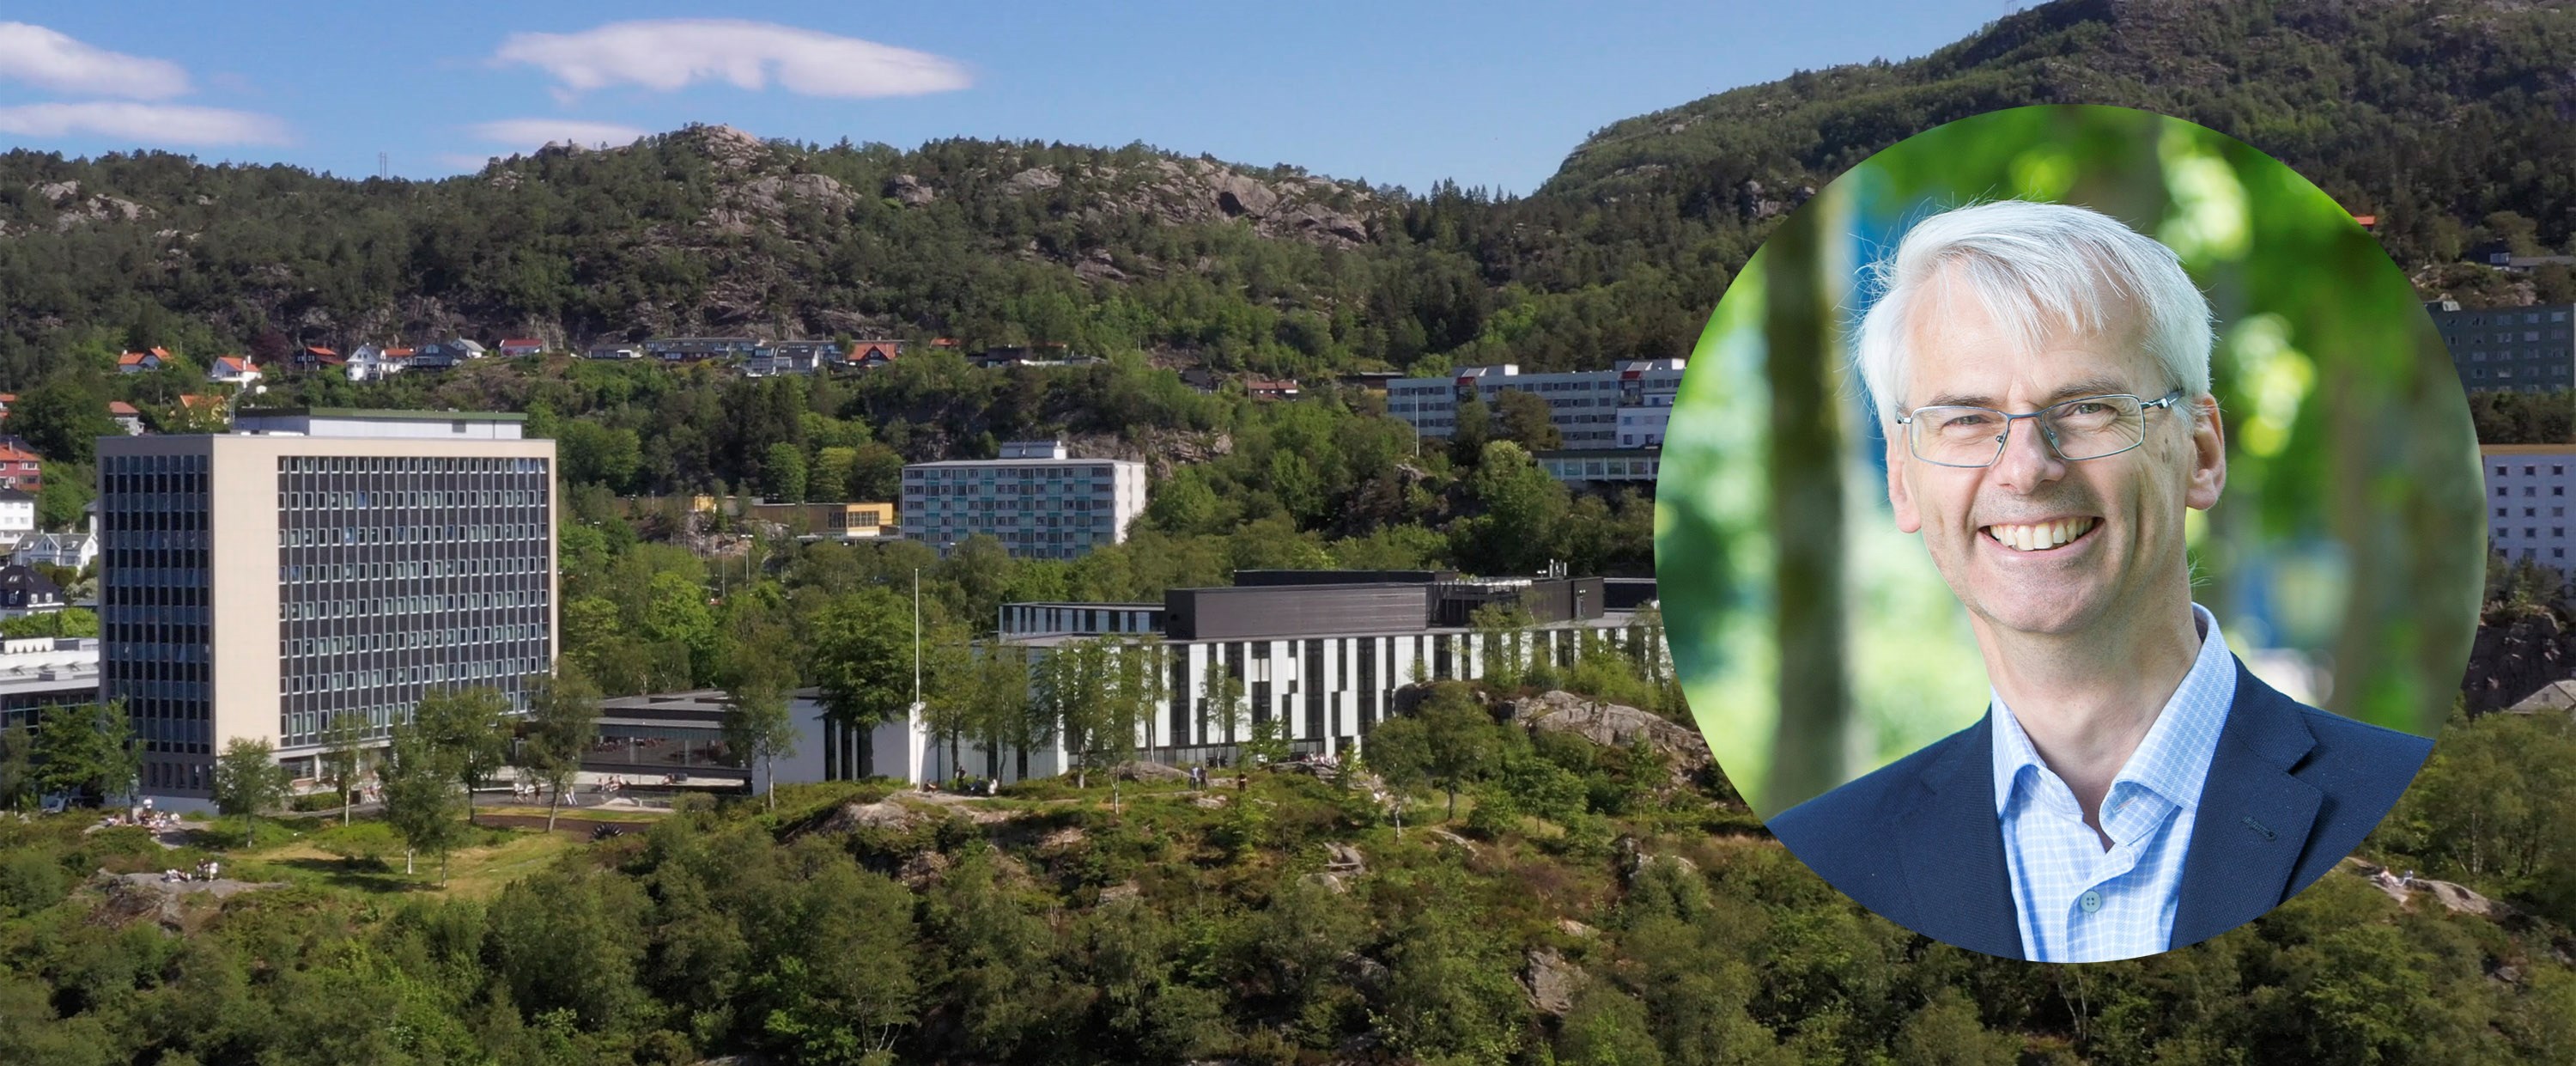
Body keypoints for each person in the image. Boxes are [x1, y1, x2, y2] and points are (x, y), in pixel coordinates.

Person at [1766, 200, 2433, 963]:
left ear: (2203, 453)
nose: (2025, 467)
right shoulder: (1830, 848)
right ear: (1903, 481)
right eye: (1966, 419)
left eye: (2086, 408)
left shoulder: (2394, 798)